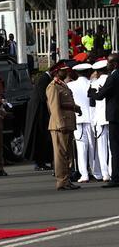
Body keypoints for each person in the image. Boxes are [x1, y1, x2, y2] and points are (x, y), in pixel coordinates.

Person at [47, 61, 81, 190]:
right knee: (61, 154)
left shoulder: (62, 85)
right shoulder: (53, 87)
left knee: (67, 153)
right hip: (60, 125)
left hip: (68, 122)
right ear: (56, 72)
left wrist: (76, 108)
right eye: (63, 70)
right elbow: (54, 107)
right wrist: (60, 124)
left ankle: (67, 179)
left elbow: (66, 102)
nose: (66, 72)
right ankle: (62, 181)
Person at [88, 54, 119, 186]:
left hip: (115, 117)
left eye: (109, 63)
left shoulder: (112, 77)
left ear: (115, 64)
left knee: (115, 149)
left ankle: (116, 178)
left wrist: (92, 93)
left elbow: (100, 96)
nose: (107, 65)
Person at [23, 62, 58, 171]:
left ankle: (44, 161)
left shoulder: (45, 78)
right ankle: (40, 162)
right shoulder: (44, 79)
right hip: (39, 113)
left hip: (40, 112)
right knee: (40, 138)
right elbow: (44, 97)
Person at [68, 63, 97, 182]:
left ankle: (84, 174)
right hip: (91, 118)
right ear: (88, 72)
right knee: (93, 147)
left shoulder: (70, 85)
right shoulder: (92, 83)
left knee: (81, 148)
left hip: (78, 119)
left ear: (76, 73)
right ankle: (95, 172)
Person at [88, 60, 111, 182]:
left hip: (100, 118)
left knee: (101, 149)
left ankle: (105, 173)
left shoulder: (94, 84)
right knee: (113, 147)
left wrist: (93, 121)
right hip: (112, 118)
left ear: (97, 72)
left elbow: (92, 105)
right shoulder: (112, 80)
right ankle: (112, 171)